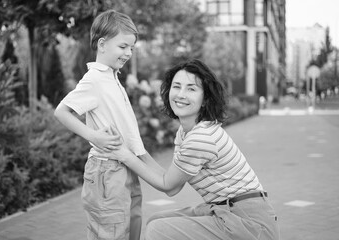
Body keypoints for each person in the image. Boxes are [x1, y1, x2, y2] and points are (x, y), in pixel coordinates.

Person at [108, 59, 280, 240]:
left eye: (191, 89)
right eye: (177, 86)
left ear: (205, 99)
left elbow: (168, 186)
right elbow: (171, 183)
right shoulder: (187, 131)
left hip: (250, 223)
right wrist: (137, 149)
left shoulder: (200, 138)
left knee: (158, 230)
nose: (181, 94)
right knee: (157, 220)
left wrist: (124, 155)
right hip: (227, 211)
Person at [54, 9, 160, 240]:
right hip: (107, 171)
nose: (129, 53)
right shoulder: (94, 79)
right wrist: (94, 136)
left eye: (131, 48)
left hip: (125, 167)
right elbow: (62, 112)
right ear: (102, 44)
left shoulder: (112, 77)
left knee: (131, 227)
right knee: (111, 233)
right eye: (123, 47)